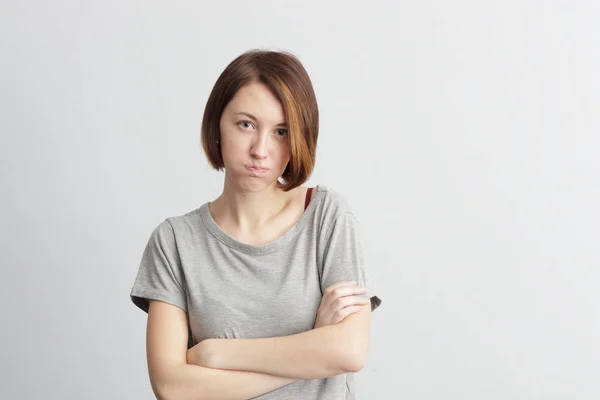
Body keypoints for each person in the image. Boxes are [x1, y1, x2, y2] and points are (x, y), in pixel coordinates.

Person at [130, 49, 382, 400]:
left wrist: (214, 354)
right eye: (246, 124)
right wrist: (312, 347)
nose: (260, 150)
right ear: (217, 123)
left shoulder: (327, 216)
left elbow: (350, 351)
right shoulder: (174, 241)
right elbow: (173, 389)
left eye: (281, 131)